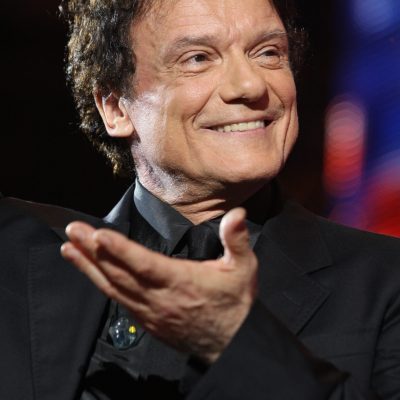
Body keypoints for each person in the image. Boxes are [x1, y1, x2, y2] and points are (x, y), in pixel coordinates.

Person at [1, 0, 400, 399]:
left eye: (268, 53)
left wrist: (236, 340)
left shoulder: (385, 282)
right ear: (114, 106)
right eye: (198, 58)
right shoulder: (17, 264)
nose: (251, 86)